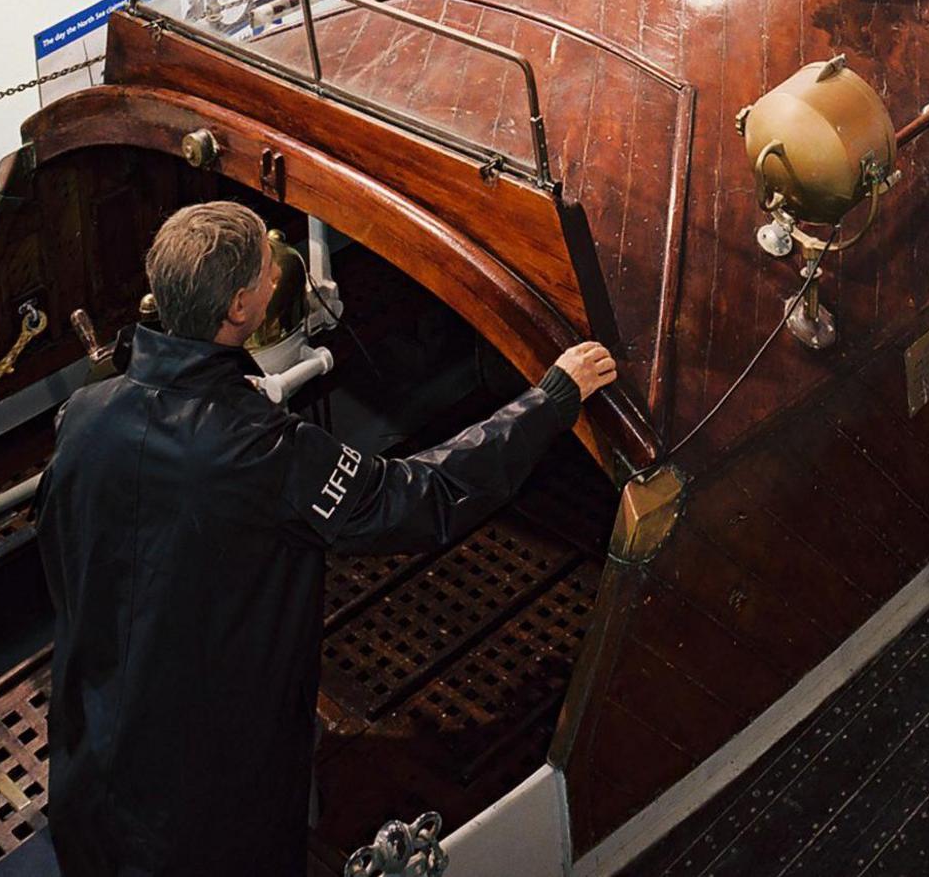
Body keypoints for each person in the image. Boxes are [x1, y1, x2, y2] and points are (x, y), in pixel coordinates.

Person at [37, 201, 617, 877]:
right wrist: (548, 401)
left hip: (89, 772)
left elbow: (64, 563)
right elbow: (418, 497)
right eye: (266, 267)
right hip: (206, 818)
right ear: (240, 309)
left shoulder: (82, 416)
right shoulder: (259, 450)